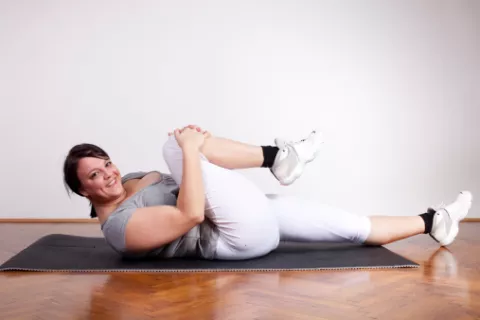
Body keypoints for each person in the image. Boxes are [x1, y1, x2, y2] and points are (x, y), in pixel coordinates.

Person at [63, 125, 473, 260]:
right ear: (84, 191)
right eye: (95, 176)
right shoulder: (119, 228)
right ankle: (280, 158)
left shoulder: (133, 176)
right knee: (175, 143)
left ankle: (434, 222)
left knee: (354, 226)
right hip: (232, 236)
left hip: (247, 213)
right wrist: (188, 149)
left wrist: (194, 150)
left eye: (106, 163)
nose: (109, 174)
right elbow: (189, 214)